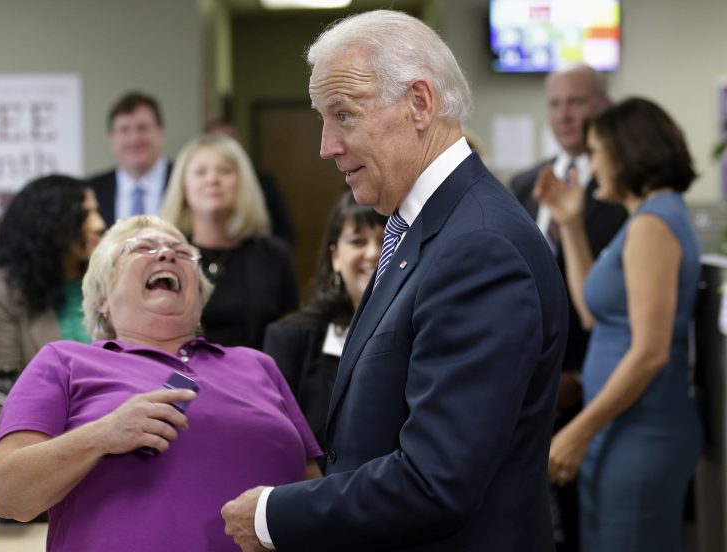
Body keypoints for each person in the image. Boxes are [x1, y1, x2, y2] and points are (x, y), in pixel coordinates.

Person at [221, 10, 568, 551]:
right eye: (323, 119)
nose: (326, 146)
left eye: (344, 115)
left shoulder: (478, 248)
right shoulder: (426, 227)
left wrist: (272, 514)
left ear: (420, 104)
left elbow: (435, 481)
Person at [0, 215, 322, 552]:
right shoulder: (64, 361)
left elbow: (315, 494)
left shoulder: (257, 365)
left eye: (181, 251)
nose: (166, 255)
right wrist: (102, 435)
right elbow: (9, 496)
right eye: (143, 248)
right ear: (102, 298)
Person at [539, 98, 703, 551]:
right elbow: (595, 313)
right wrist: (570, 224)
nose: (591, 165)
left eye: (596, 152)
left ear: (628, 151)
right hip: (620, 429)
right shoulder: (644, 221)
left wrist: (578, 431)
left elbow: (651, 351)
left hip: (641, 432)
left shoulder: (654, 224)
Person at [511, 64, 627, 549]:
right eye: (555, 103)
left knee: (589, 528)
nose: (564, 114)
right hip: (522, 384)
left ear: (602, 106)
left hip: (595, 383)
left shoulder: (623, 194)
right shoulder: (521, 186)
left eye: (575, 102)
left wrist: (579, 378)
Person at [262, 191, 385, 463]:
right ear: (336, 257)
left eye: (386, 240)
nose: (373, 253)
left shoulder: (421, 331)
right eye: (358, 241)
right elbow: (275, 441)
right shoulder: (291, 338)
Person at [159, 133, 298, 349]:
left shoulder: (273, 255)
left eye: (224, 171)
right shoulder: (165, 256)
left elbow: (290, 335)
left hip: (256, 378)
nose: (213, 180)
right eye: (200, 172)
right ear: (183, 187)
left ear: (243, 184)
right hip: (181, 380)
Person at [0, 174, 105, 376]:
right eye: (85, 214)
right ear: (51, 224)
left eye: (96, 211)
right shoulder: (4, 288)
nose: (98, 224)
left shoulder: (109, 280)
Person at [206, 117, 296, 246]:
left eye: (231, 140)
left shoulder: (264, 183)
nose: (213, 181)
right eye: (218, 141)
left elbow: (285, 232)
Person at [88, 91, 172, 226]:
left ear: (160, 133)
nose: (134, 138)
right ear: (112, 138)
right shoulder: (91, 191)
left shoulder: (188, 184)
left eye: (142, 128)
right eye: (124, 130)